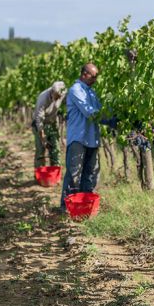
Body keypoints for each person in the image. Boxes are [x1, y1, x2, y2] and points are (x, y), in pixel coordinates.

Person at [61, 63, 102, 210]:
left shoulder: (91, 92)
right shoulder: (76, 90)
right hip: (78, 138)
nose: (96, 79)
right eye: (94, 76)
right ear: (85, 74)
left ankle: (84, 207)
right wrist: (107, 117)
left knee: (90, 174)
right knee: (74, 174)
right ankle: (67, 208)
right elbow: (90, 112)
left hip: (92, 138)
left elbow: (100, 110)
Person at [32, 81, 67, 168]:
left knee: (55, 150)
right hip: (40, 124)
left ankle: (55, 171)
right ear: (52, 91)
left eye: (59, 96)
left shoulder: (63, 93)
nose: (58, 98)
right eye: (56, 96)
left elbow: (66, 106)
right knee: (40, 150)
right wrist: (43, 137)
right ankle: (40, 172)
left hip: (53, 122)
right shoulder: (43, 98)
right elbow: (39, 120)